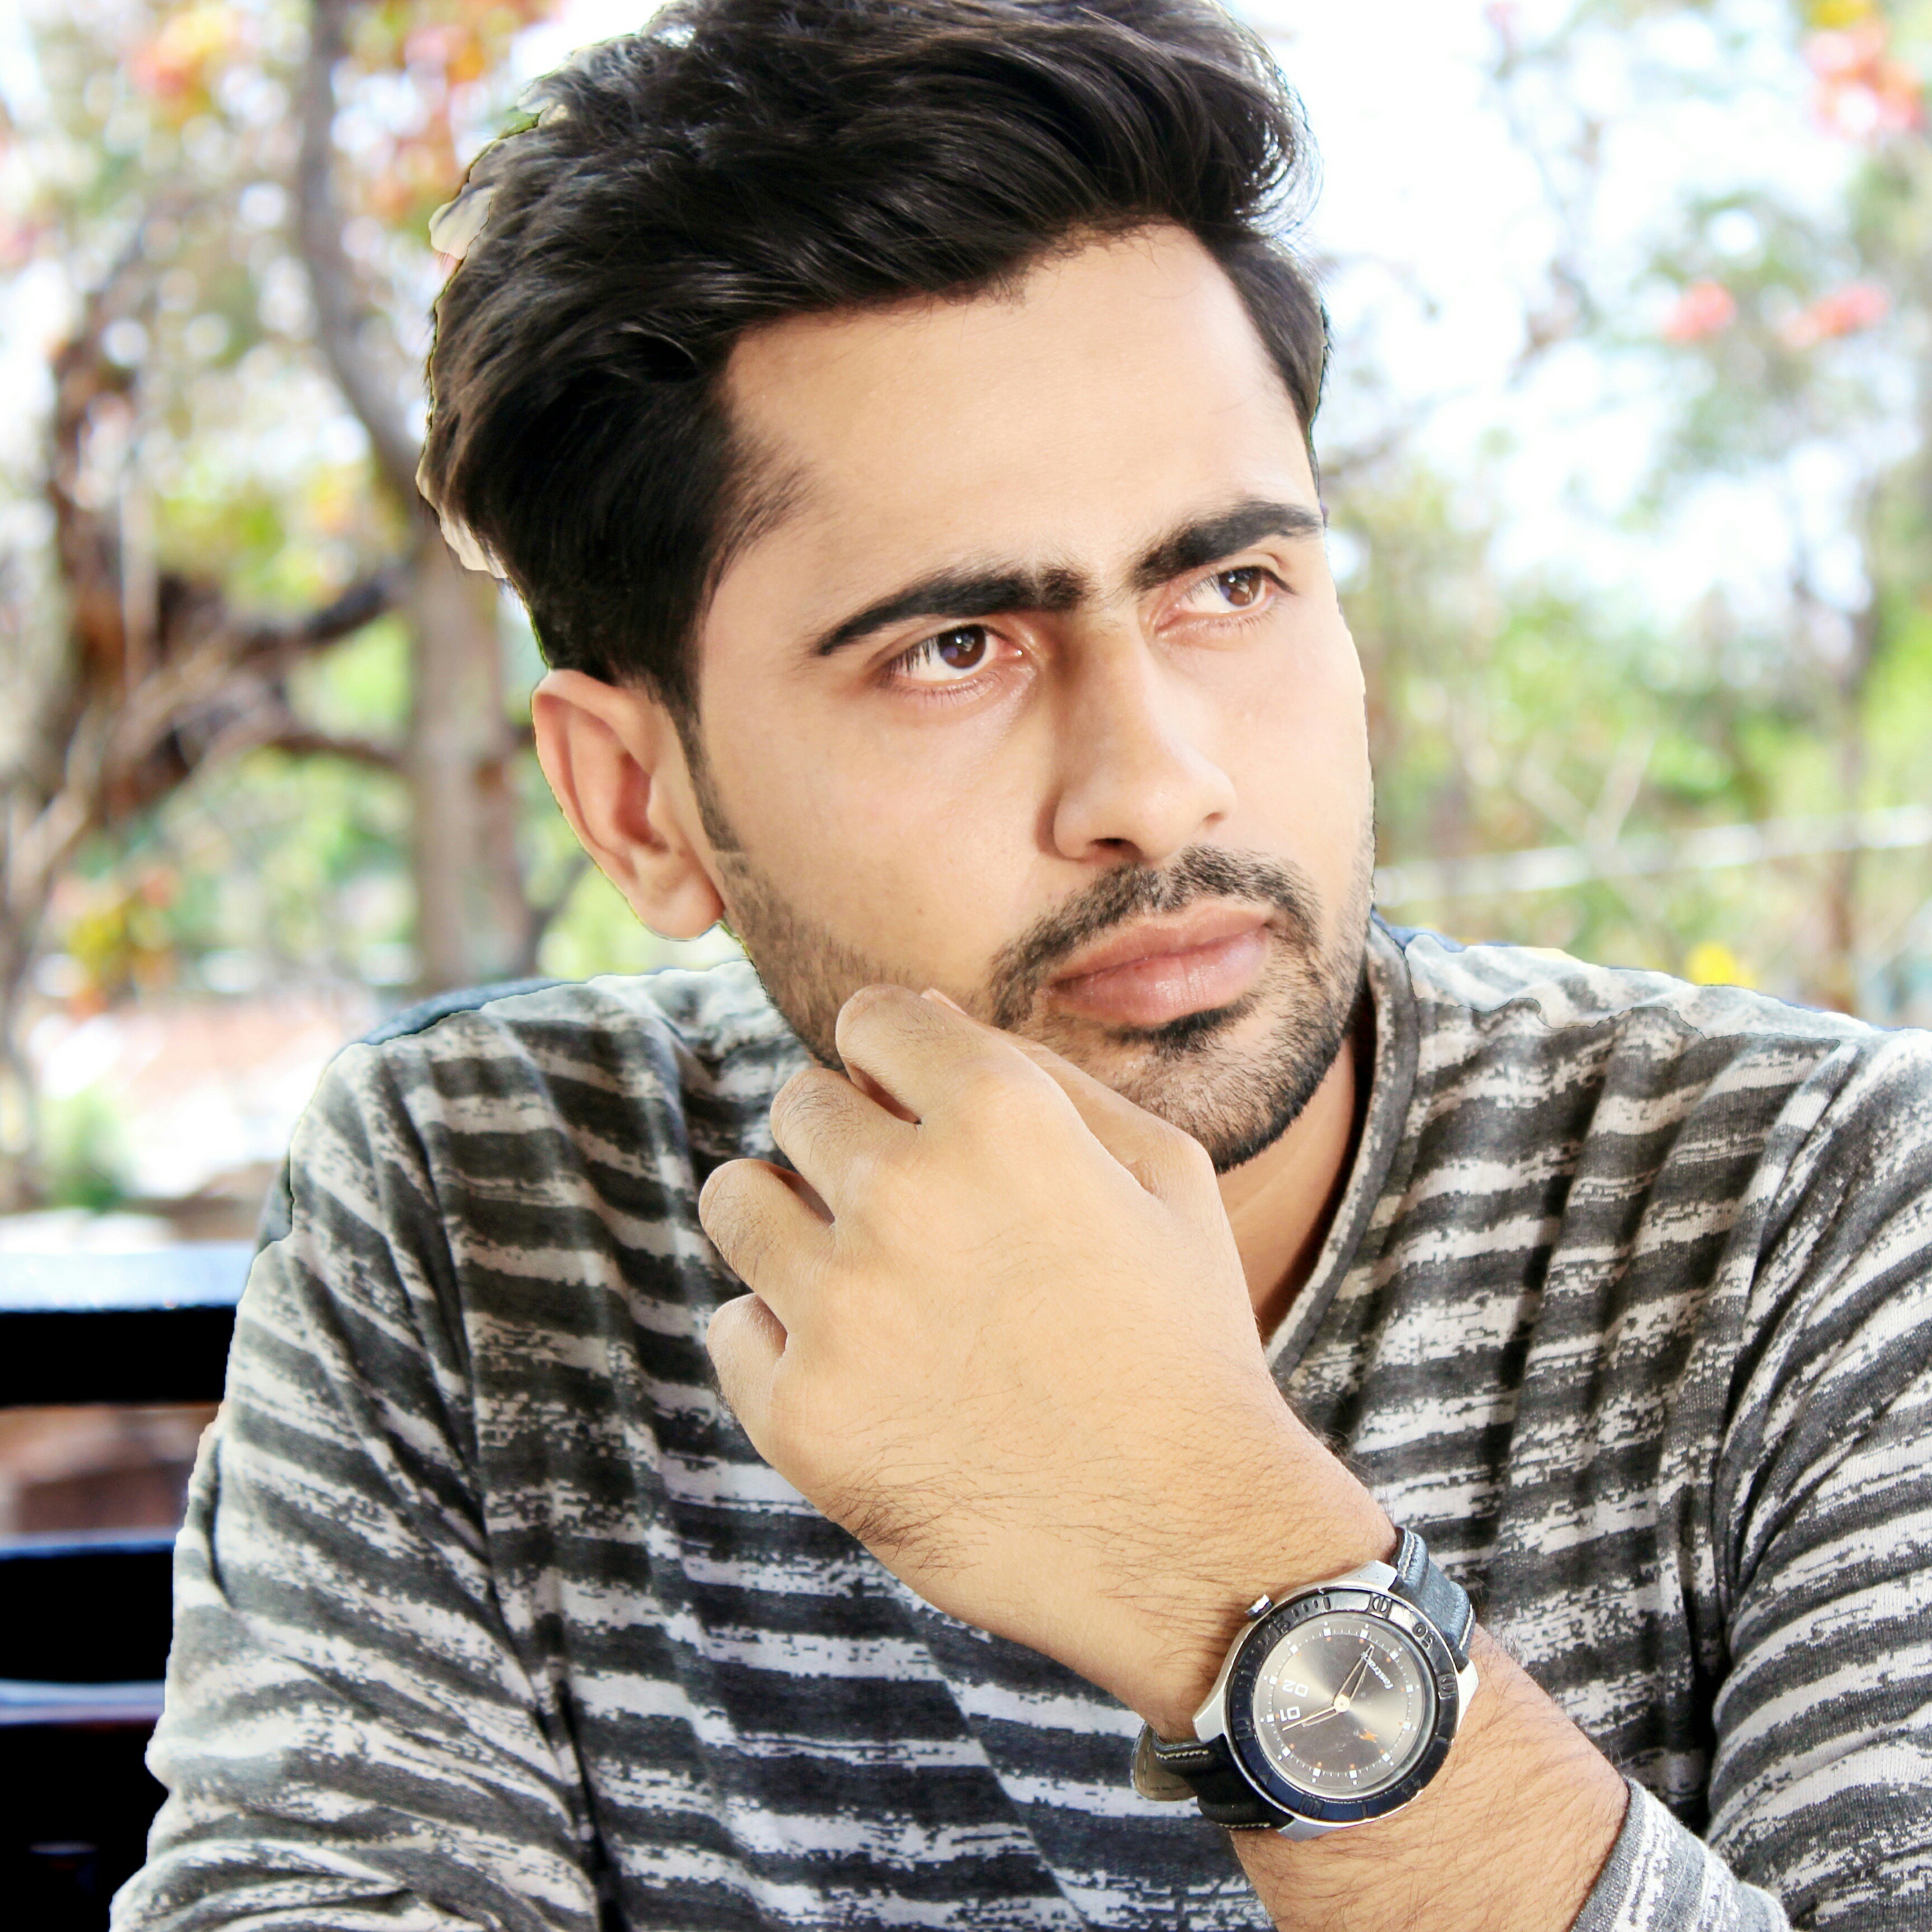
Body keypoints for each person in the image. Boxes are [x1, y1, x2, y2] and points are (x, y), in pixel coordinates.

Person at [116, 0, 1932, 1926]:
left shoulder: (1814, 1208)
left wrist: (1210, 1550)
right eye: (954, 649)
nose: (1157, 785)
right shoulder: (480, 1208)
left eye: (1230, 583)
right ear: (641, 803)